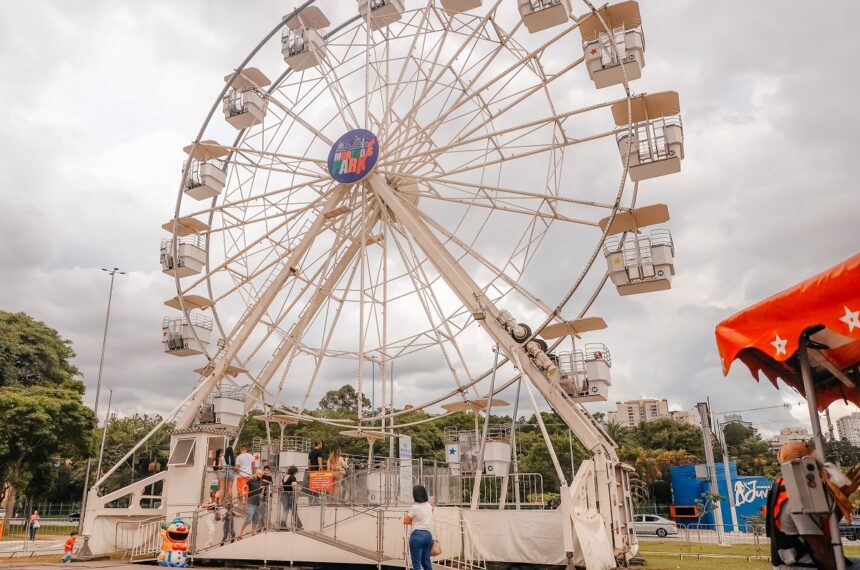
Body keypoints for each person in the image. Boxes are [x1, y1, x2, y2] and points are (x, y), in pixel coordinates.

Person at [766, 442, 860, 569]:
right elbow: (820, 549)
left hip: (809, 561)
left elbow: (827, 527)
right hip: (803, 566)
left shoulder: (792, 487)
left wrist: (844, 495)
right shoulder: (797, 499)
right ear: (805, 465)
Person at [404, 485, 434, 570]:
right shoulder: (429, 506)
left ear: (415, 495)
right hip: (428, 535)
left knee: (416, 563)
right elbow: (431, 512)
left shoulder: (415, 507)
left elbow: (405, 521)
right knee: (426, 562)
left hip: (417, 535)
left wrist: (414, 521)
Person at [239, 470, 264, 536]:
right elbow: (244, 486)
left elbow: (260, 492)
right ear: (256, 473)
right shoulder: (251, 480)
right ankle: (241, 532)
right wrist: (243, 492)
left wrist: (262, 491)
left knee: (256, 519)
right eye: (259, 474)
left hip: (258, 503)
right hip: (251, 503)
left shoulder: (261, 482)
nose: (261, 475)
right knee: (248, 519)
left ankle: (253, 531)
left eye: (261, 474)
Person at [281, 465, 303, 530]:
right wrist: (299, 488)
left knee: (285, 511)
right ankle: (298, 526)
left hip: (284, 494)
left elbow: (282, 486)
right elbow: (294, 487)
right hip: (290, 495)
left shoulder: (284, 476)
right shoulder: (292, 477)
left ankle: (283, 526)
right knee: (294, 511)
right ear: (294, 471)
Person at [260, 465, 274, 530]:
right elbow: (260, 484)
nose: (266, 471)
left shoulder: (270, 477)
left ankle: (266, 525)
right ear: (263, 470)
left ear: (269, 471)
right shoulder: (261, 476)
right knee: (262, 511)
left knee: (267, 511)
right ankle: (262, 525)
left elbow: (271, 484)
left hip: (268, 495)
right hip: (262, 495)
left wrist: (268, 482)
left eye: (267, 470)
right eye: (265, 470)